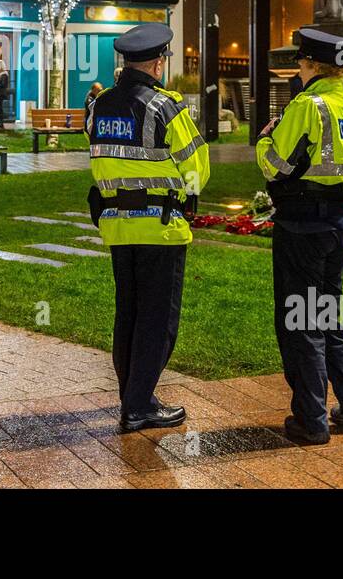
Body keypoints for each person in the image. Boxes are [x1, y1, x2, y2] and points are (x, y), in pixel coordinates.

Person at [255, 27, 343, 446]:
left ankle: (311, 420)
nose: (299, 70)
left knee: (301, 322)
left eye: (300, 64)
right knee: (329, 316)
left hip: (303, 225)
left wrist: (265, 138)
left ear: (310, 65)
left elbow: (276, 166)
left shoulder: (308, 105)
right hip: (340, 220)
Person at [86, 22, 209, 433]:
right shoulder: (165, 107)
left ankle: (135, 396)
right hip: (160, 228)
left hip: (118, 226)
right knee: (157, 322)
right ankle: (138, 408)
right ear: (158, 63)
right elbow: (197, 171)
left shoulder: (100, 105)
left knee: (129, 316)